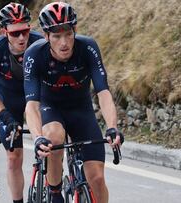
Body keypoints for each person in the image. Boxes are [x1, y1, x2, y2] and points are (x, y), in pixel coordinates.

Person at [24, 2, 123, 203]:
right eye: (56, 36)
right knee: (54, 136)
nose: (64, 42)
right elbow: (32, 105)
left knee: (96, 178)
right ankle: (54, 192)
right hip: (51, 107)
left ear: (75, 30)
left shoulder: (87, 47)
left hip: (81, 109)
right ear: (46, 36)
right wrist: (37, 138)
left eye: (68, 34)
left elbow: (103, 92)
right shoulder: (35, 55)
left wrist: (112, 127)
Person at [0, 2, 43, 203]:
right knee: (14, 157)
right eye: (15, 33)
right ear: (4, 32)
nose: (21, 37)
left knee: (52, 144)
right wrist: (5, 116)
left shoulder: (40, 43)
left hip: (37, 97)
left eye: (25, 31)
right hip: (9, 102)